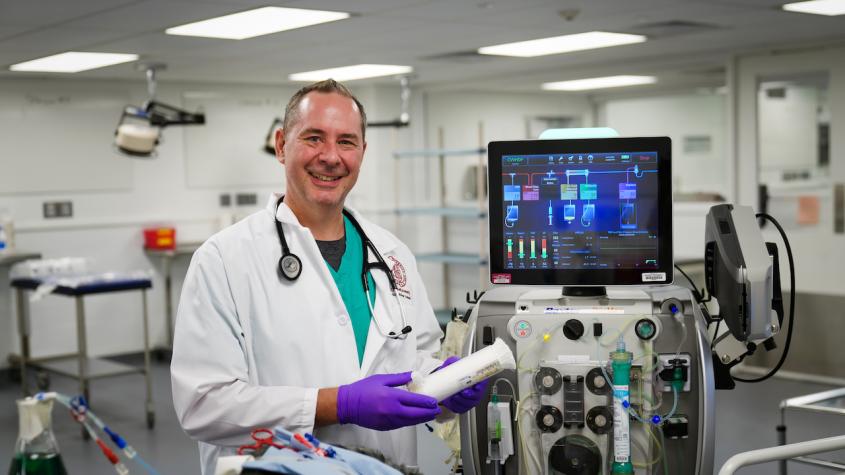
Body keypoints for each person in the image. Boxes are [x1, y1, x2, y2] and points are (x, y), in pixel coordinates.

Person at [171, 79, 487, 474]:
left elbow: (417, 361)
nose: (331, 157)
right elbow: (202, 405)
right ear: (281, 144)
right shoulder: (223, 260)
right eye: (314, 138)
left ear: (363, 152)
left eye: (347, 142)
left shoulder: (392, 254)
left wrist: (444, 388)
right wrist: (336, 404)